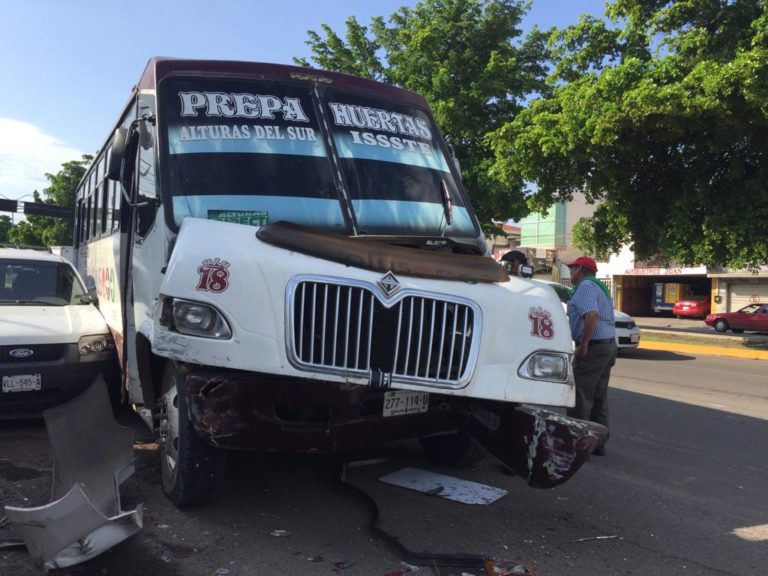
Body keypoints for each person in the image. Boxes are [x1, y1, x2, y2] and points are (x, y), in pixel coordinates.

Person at [564, 256, 616, 456]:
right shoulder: (599, 287)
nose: (570, 273)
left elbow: (591, 315)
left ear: (580, 269)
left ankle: (578, 444)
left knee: (580, 395)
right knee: (599, 396)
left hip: (594, 347)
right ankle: (598, 444)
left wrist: (584, 344)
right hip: (608, 346)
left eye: (572, 269)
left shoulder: (586, 286)